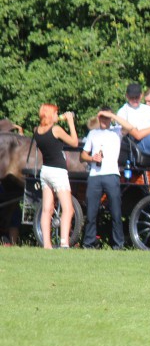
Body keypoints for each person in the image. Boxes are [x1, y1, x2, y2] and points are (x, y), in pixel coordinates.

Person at [33, 104, 78, 248]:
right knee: (68, 208)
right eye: (55, 113)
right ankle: (64, 242)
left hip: (45, 170)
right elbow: (74, 142)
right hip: (58, 171)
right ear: (50, 114)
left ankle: (47, 245)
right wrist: (71, 123)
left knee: (47, 209)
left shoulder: (37, 131)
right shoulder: (56, 130)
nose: (57, 115)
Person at [80, 108, 125, 249]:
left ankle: (118, 244)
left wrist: (112, 115)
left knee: (116, 211)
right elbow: (83, 156)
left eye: (106, 118)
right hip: (95, 175)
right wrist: (92, 158)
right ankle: (88, 243)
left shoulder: (116, 132)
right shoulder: (93, 133)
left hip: (111, 174)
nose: (104, 121)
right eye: (102, 118)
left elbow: (130, 127)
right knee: (91, 212)